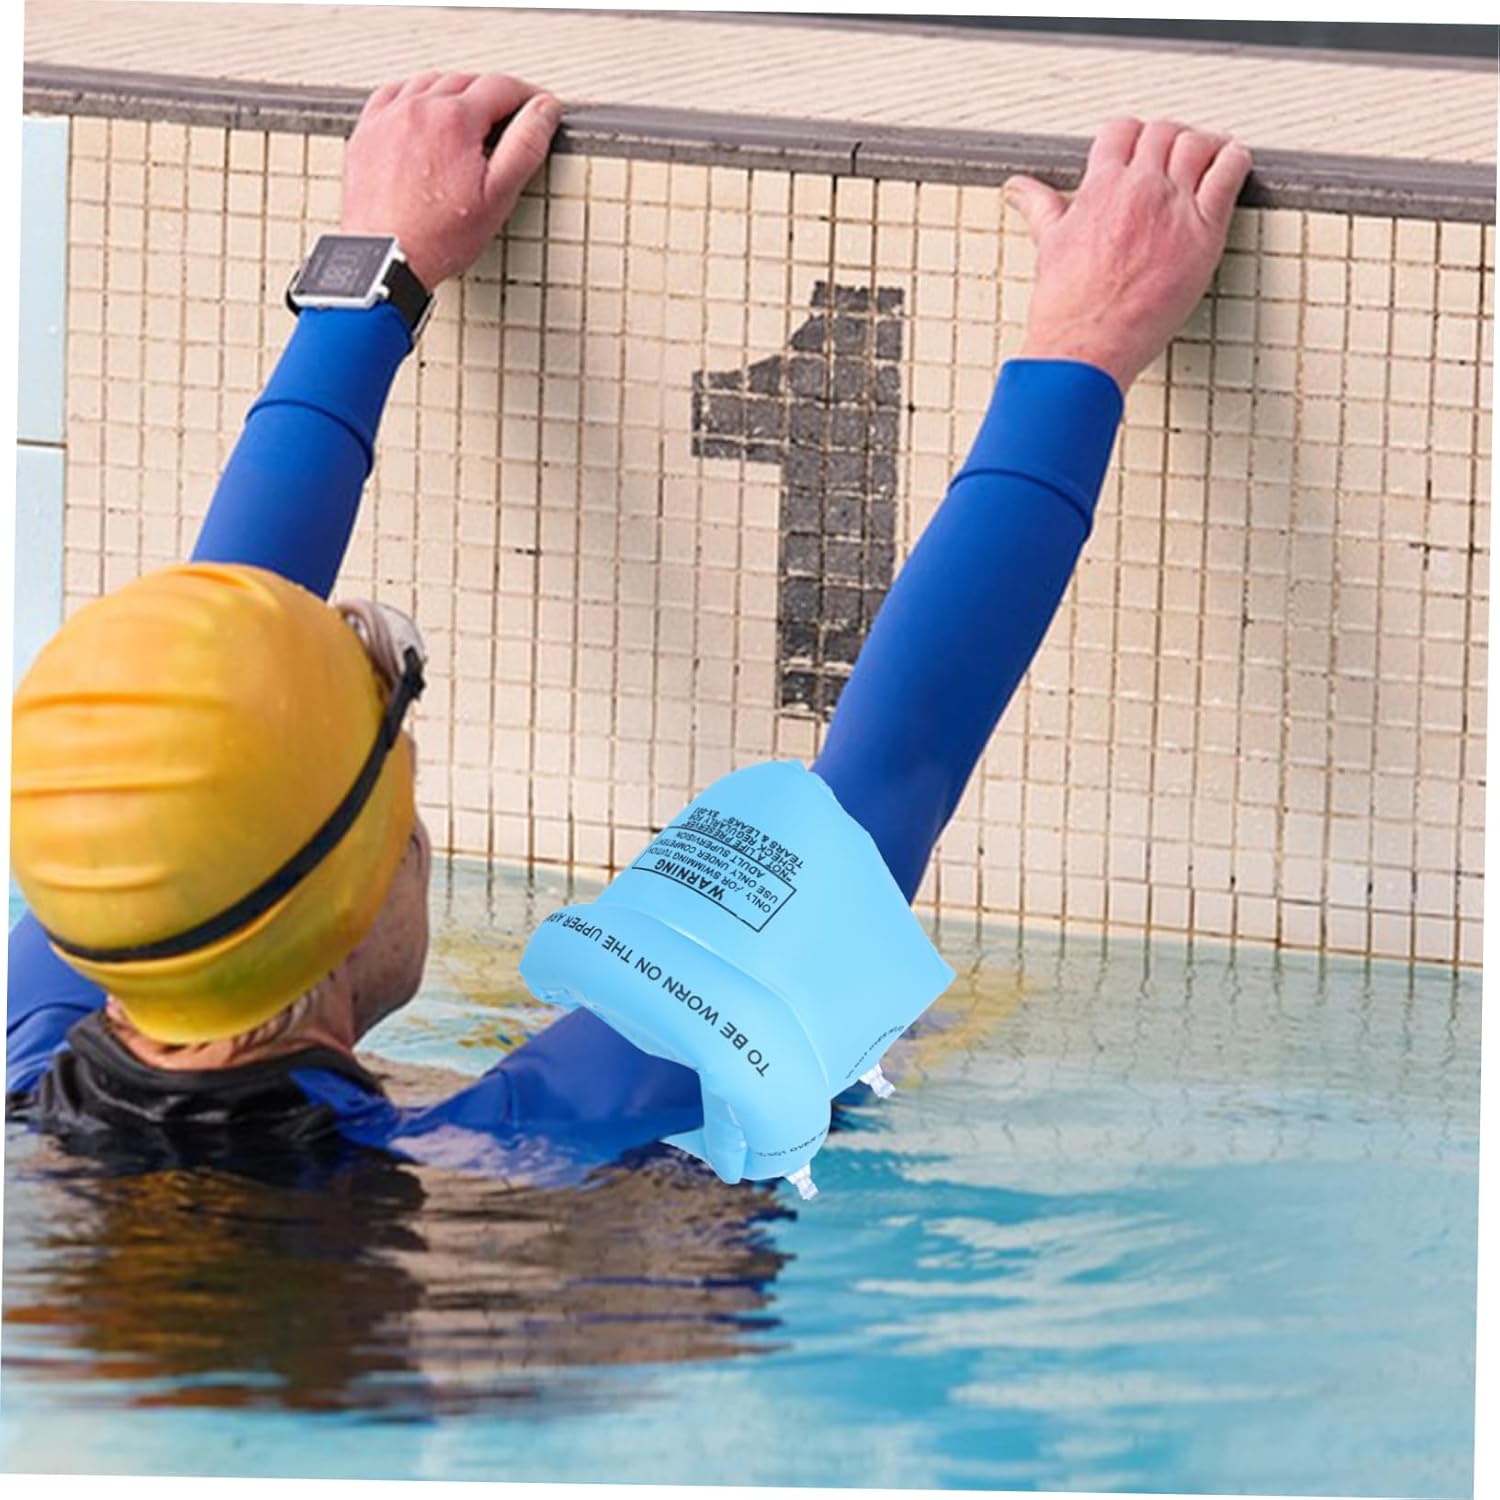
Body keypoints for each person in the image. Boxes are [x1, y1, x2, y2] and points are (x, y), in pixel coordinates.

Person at [6, 71, 1253, 1178]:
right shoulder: (515, 1161)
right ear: (370, 876)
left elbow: (191, 686)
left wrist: (375, 267)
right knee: (877, 1033)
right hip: (576, 1285)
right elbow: (882, 789)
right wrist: (1084, 344)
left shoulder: (41, 1044)